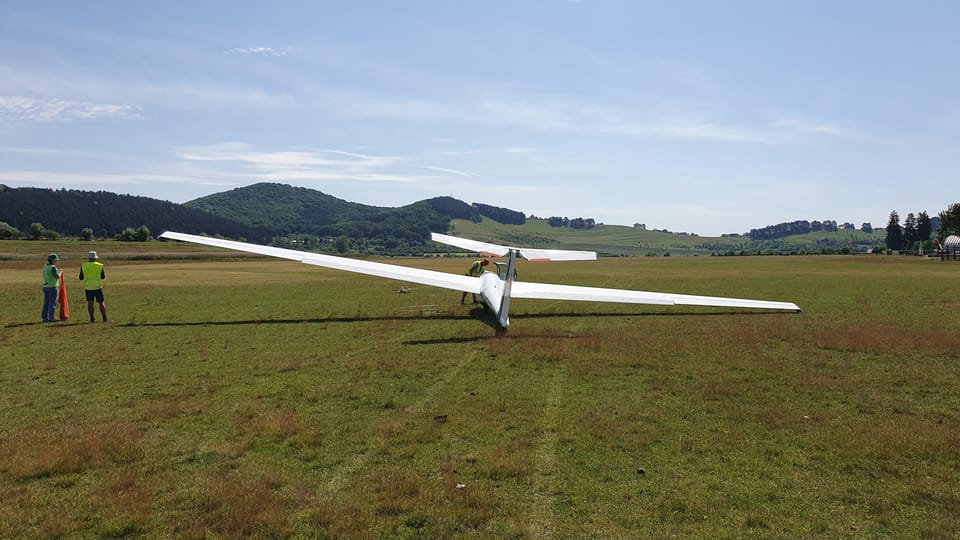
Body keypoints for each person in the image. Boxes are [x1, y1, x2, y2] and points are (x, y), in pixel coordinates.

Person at [79, 250, 109, 323]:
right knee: (101, 302)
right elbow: (103, 277)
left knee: (90, 303)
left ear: (88, 258)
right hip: (98, 287)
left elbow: (81, 277)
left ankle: (92, 318)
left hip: (88, 287)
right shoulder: (100, 265)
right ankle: (104, 318)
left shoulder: (84, 265)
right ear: (95, 258)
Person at [41, 253, 62, 322]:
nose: (56, 262)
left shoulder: (45, 266)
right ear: (53, 260)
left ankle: (44, 317)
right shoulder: (53, 267)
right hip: (53, 287)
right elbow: (57, 276)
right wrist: (60, 273)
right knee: (52, 303)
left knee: (46, 303)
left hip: (45, 286)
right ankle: (51, 318)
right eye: (56, 260)